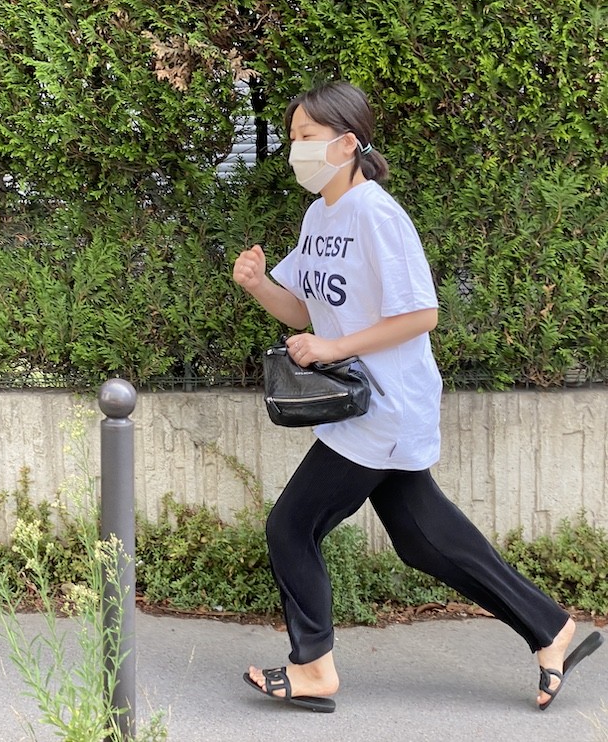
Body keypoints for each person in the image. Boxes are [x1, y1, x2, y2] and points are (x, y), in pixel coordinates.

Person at [232, 81, 603, 713]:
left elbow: (420, 314)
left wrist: (333, 346)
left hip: (385, 406)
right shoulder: (320, 215)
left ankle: (313, 666)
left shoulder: (377, 215)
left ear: (347, 144)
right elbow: (302, 309)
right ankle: (551, 629)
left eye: (307, 138)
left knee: (292, 525)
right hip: (360, 403)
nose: (296, 150)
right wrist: (259, 284)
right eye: (293, 138)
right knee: (420, 536)